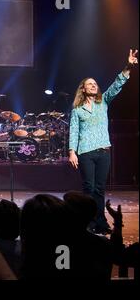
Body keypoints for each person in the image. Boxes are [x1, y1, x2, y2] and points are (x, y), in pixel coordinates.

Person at [68, 49, 138, 235]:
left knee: (99, 189)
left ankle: (101, 222)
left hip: (103, 151)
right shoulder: (77, 109)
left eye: (95, 84)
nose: (94, 85)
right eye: (90, 84)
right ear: (83, 88)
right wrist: (72, 151)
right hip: (85, 152)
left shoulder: (103, 102)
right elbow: (74, 130)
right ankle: (88, 222)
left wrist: (128, 66)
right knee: (88, 188)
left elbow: (116, 85)